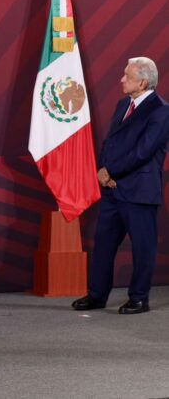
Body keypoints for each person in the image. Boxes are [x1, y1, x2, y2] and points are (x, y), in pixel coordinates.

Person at [72, 57, 169, 315]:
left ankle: (139, 298)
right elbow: (110, 142)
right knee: (103, 245)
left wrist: (111, 171)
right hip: (113, 189)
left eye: (128, 76)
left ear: (143, 82)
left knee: (143, 248)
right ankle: (97, 295)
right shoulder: (123, 104)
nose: (122, 79)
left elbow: (143, 151)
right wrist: (103, 171)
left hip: (139, 192)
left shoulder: (161, 111)